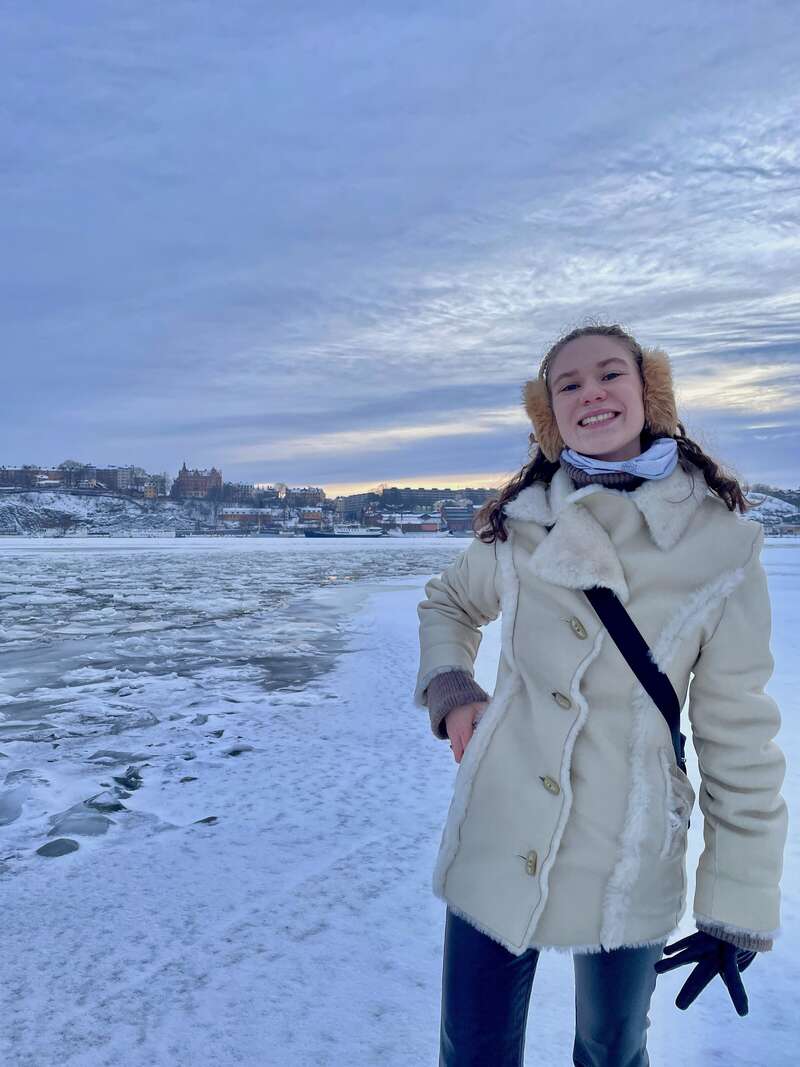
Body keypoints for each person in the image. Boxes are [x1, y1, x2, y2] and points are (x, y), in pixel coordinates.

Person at [413, 323, 788, 1067]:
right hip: (499, 827)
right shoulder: (522, 526)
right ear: (549, 412)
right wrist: (454, 692)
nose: (592, 393)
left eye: (610, 374)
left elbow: (739, 734)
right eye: (569, 384)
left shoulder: (720, 547)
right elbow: (449, 604)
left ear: (649, 391)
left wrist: (737, 897)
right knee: (473, 1051)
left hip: (631, 844)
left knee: (611, 1052)